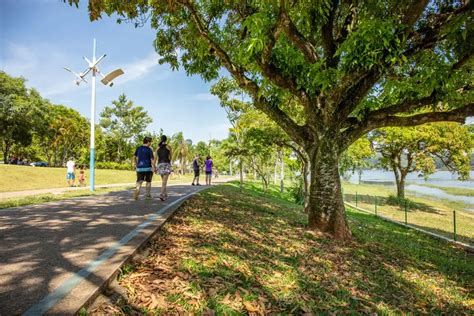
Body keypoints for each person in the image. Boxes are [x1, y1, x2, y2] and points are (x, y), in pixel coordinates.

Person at [155, 135, 173, 201]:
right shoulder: (169, 147)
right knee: (164, 181)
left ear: (161, 139)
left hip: (159, 164)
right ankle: (161, 194)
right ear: (166, 140)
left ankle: (165, 193)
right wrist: (169, 162)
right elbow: (171, 156)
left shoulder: (157, 148)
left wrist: (154, 166)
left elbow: (155, 158)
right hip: (166, 164)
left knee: (163, 181)